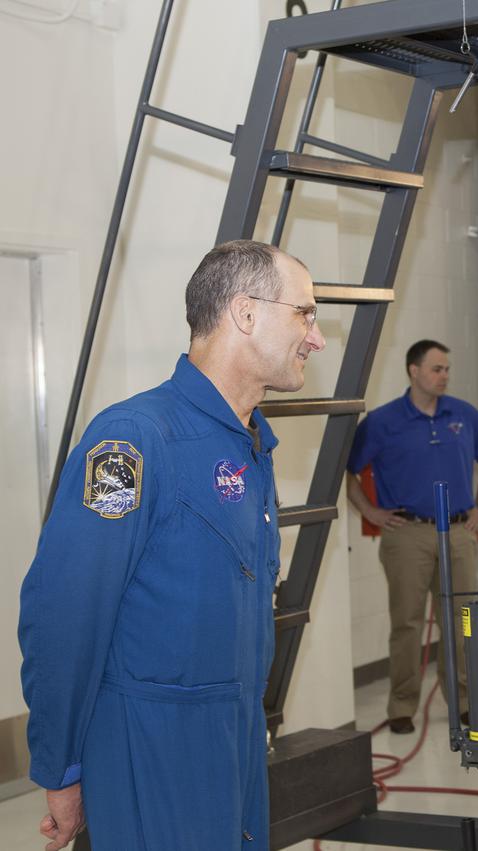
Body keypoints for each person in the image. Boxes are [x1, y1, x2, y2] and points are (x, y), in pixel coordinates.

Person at [19, 240, 325, 850]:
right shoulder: (133, 442)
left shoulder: (251, 443)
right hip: (150, 749)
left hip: (234, 739)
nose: (315, 338)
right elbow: (65, 617)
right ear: (245, 313)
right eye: (305, 313)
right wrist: (62, 767)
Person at [346, 340, 478, 734]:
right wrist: (370, 512)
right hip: (406, 536)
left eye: (447, 369)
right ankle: (402, 706)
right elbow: (348, 472)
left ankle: (465, 701)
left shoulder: (464, 416)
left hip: (458, 534)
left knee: (462, 620)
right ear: (413, 371)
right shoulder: (382, 422)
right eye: (436, 369)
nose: (444, 375)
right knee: (407, 623)